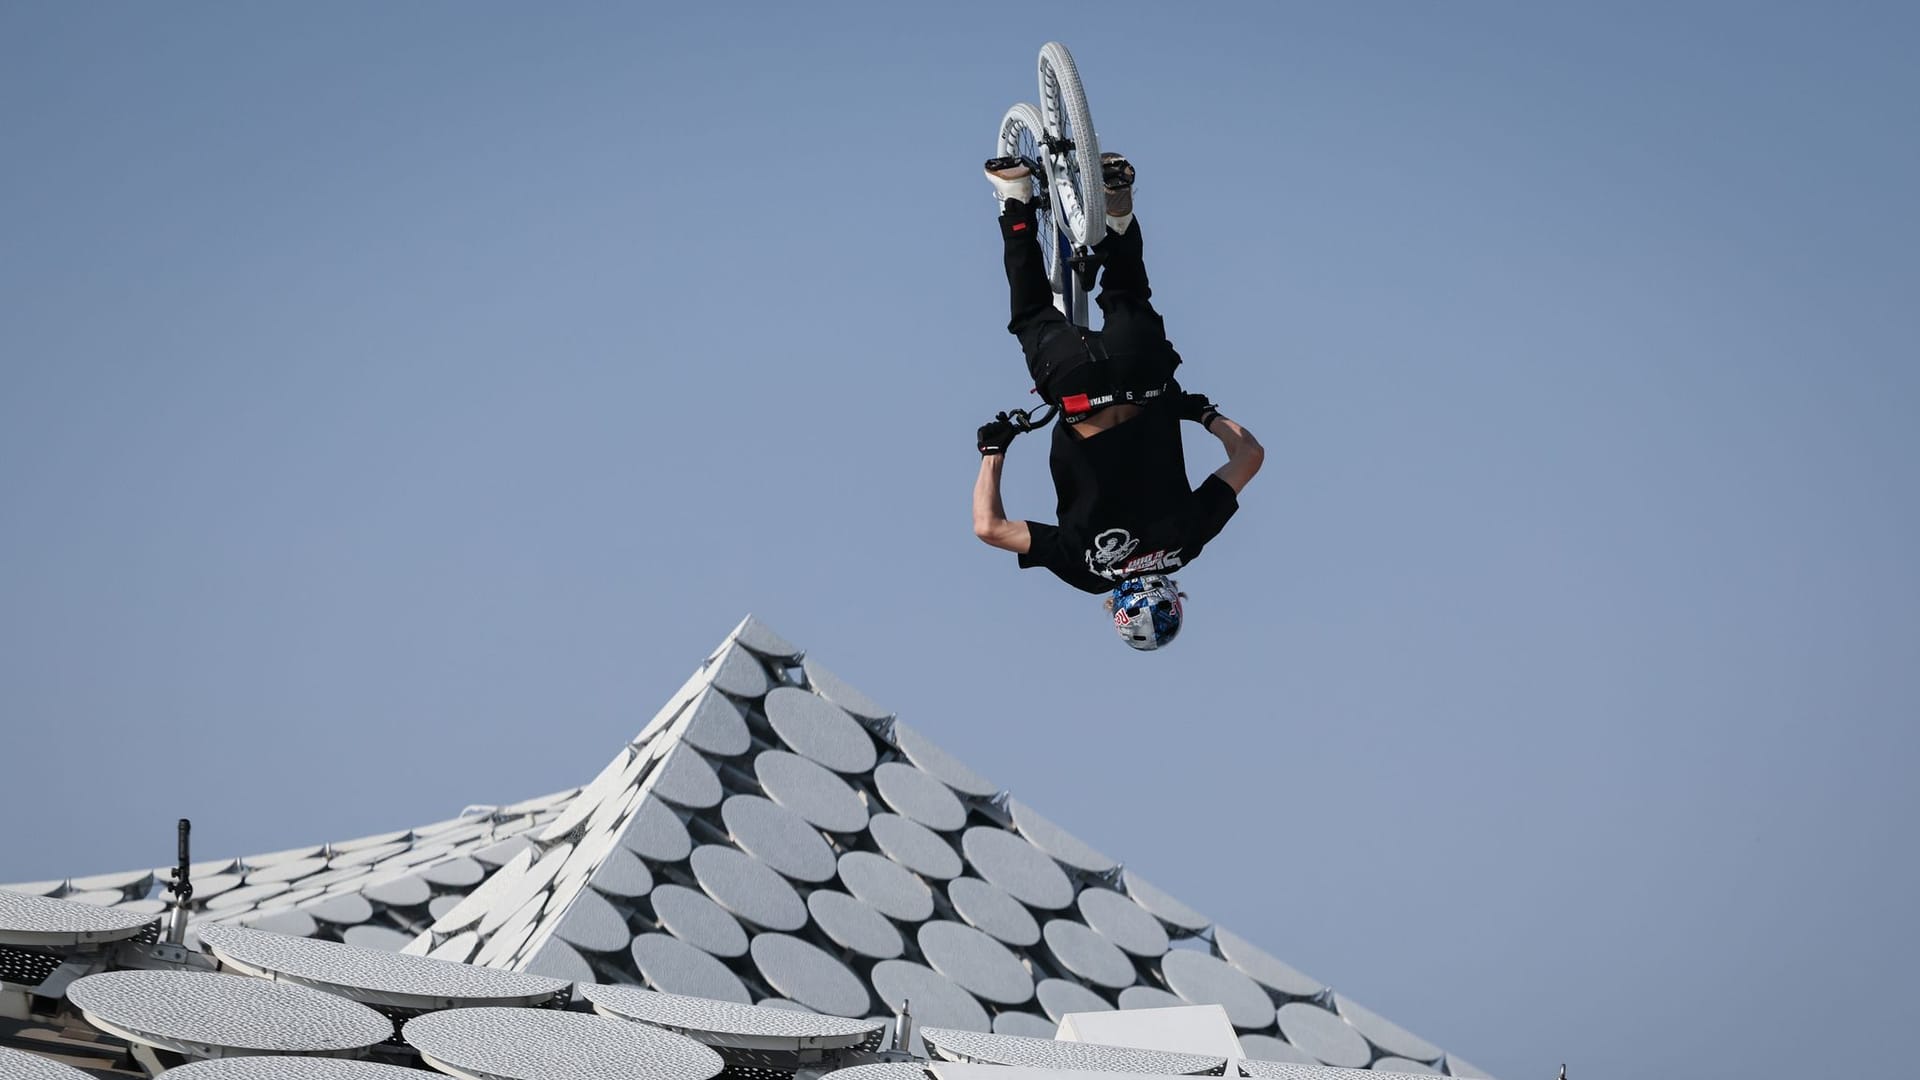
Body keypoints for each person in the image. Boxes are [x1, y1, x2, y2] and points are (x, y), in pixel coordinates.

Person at [972, 153, 1264, 650]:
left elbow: (1250, 456)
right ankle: (1015, 197)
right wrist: (994, 450)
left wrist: (1201, 412)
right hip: (1077, 387)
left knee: (1129, 293)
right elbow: (990, 528)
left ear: (1173, 594)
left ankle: (1117, 212)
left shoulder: (1187, 543)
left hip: (1143, 374)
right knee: (1031, 314)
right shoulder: (1091, 571)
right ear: (1118, 610)